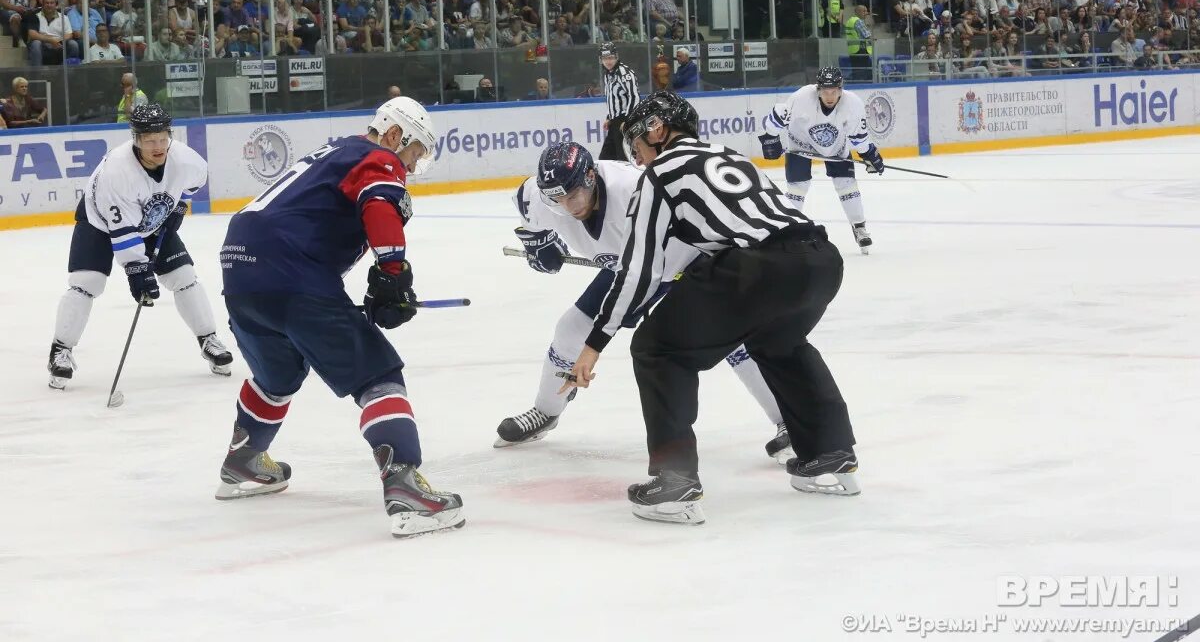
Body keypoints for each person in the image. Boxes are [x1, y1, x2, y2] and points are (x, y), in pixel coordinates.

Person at [567, 91, 859, 524]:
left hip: (760, 268)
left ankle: (675, 481)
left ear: (657, 129)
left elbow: (639, 272)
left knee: (657, 348)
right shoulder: (727, 155)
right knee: (779, 342)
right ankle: (830, 452)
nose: (636, 156)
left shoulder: (661, 174)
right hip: (819, 258)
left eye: (636, 142)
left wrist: (595, 341)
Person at [215, 97, 465, 539]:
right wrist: (393, 274)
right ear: (394, 135)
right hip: (287, 267)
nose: (409, 165)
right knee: (377, 372)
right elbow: (379, 203)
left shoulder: (336, 153)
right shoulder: (378, 157)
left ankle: (244, 459)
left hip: (239, 266)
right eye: (414, 153)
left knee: (280, 373)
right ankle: (405, 484)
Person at [497, 142, 793, 462]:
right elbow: (529, 214)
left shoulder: (636, 189)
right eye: (558, 199)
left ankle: (790, 420)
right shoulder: (541, 198)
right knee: (570, 331)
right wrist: (539, 245)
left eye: (572, 196)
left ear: (591, 177)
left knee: (732, 338)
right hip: (630, 267)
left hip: (686, 258)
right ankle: (546, 411)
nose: (568, 207)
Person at [47, 104, 234, 390]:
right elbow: (122, 231)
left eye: (162, 138)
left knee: (183, 276)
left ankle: (208, 339)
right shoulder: (117, 171)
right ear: (136, 139)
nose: (158, 146)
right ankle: (60, 351)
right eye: (149, 140)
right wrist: (138, 272)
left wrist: (177, 206)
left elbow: (195, 184)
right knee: (87, 282)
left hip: (152, 221)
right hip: (99, 223)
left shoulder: (185, 159)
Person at [758, 67, 884, 253]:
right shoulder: (802, 98)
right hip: (800, 145)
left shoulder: (853, 104)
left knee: (847, 184)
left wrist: (868, 154)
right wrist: (771, 138)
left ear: (841, 89)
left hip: (836, 147)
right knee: (797, 188)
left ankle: (859, 228)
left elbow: (859, 137)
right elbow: (776, 117)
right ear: (818, 89)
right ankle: (789, 232)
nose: (830, 96)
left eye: (834, 91)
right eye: (825, 91)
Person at [598, 41, 638, 161]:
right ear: (601, 59)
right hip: (614, 122)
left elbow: (634, 97)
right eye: (605, 58)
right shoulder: (608, 75)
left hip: (624, 121)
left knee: (623, 158)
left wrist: (627, 120)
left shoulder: (625, 73)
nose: (608, 61)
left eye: (610, 58)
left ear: (616, 57)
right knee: (605, 159)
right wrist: (609, 117)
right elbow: (612, 98)